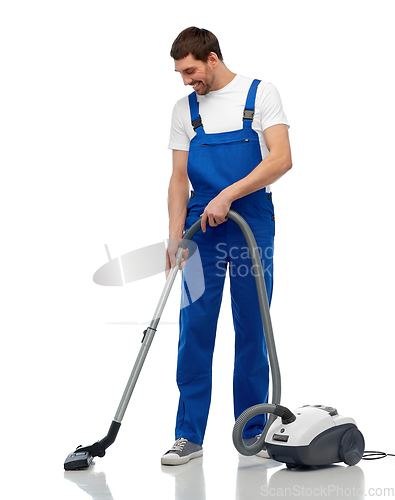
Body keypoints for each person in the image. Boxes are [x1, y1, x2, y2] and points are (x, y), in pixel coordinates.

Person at [162, 27, 292, 466]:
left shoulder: (261, 94)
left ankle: (254, 429)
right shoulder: (185, 110)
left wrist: (229, 194)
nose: (186, 80)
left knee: (252, 330)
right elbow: (179, 179)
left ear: (213, 59)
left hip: (250, 226)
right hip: (202, 233)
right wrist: (174, 233)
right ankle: (188, 436)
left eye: (191, 70)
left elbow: (281, 158)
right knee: (194, 332)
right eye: (180, 73)